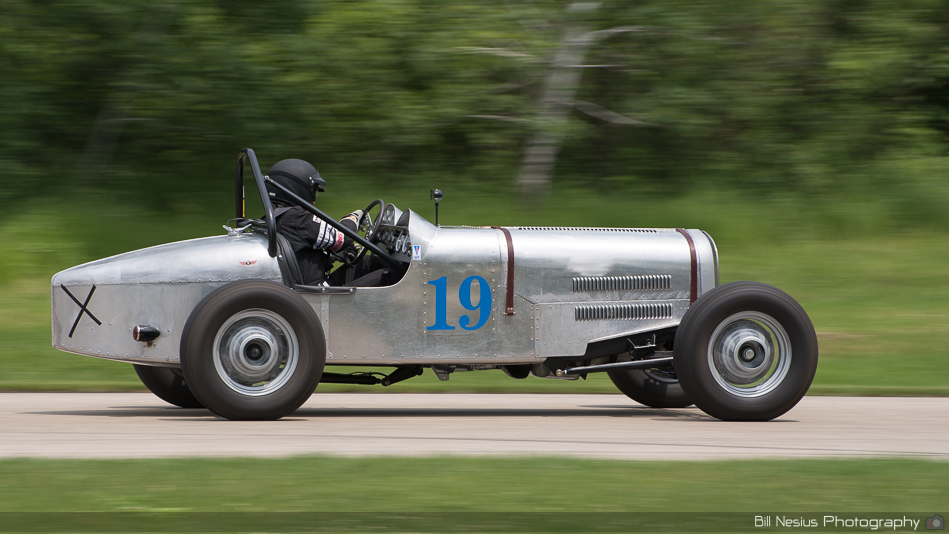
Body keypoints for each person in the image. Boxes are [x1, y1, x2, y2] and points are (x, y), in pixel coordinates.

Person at [264, 158, 362, 286]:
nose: (314, 201)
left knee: (364, 261)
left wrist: (331, 257)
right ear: (297, 190)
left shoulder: (273, 218)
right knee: (386, 273)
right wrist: (353, 218)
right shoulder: (297, 218)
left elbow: (300, 256)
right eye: (312, 193)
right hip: (317, 293)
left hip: (300, 289)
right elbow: (344, 237)